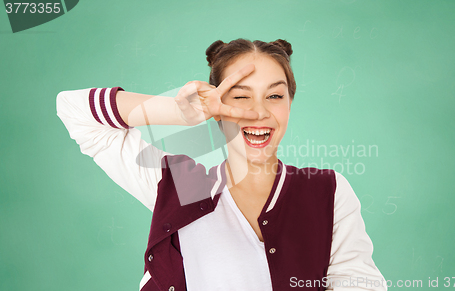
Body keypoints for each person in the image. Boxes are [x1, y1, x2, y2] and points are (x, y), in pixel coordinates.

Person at [57, 38, 387, 291]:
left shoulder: (326, 190)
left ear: (290, 103)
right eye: (240, 97)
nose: (259, 112)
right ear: (215, 107)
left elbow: (356, 281)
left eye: (274, 96)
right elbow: (73, 111)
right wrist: (177, 112)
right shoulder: (181, 185)